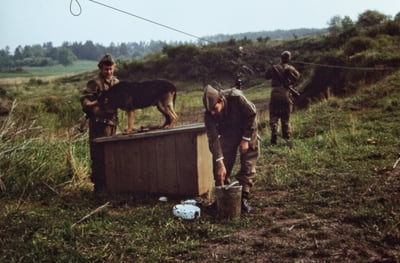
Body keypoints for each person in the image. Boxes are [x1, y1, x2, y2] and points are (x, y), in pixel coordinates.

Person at [203, 85, 259, 213]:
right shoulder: (208, 114)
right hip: (229, 131)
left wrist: (245, 139)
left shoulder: (237, 98)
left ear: (221, 101)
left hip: (247, 128)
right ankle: (222, 197)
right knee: (220, 164)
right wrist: (220, 162)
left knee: (248, 161)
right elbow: (213, 139)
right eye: (209, 110)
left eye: (214, 109)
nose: (212, 113)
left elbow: (252, 114)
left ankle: (243, 197)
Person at [80, 54, 119, 191]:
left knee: (112, 155)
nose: (108, 72)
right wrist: (94, 106)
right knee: (98, 156)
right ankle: (99, 188)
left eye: (110, 69)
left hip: (112, 123)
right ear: (100, 69)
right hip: (98, 123)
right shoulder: (95, 83)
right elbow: (85, 100)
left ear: (114, 68)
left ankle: (112, 186)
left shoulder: (116, 82)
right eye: (105, 69)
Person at [265, 50, 300, 145]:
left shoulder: (274, 67)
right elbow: (297, 77)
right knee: (285, 116)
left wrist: (271, 69)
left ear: (280, 57)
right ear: (289, 58)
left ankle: (274, 132)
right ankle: (286, 136)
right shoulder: (290, 68)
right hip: (286, 93)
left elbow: (266, 76)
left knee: (274, 115)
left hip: (275, 93)